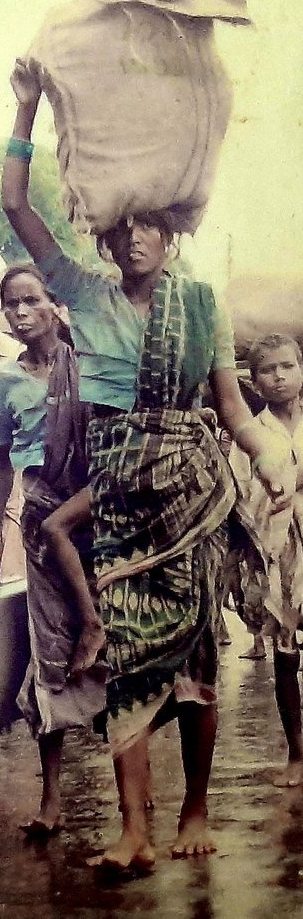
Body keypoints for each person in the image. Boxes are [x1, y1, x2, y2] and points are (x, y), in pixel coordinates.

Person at [2, 69, 290, 873]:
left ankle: (195, 803)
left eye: (149, 227)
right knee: (128, 657)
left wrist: (270, 459)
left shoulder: (202, 308)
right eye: (121, 227)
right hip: (120, 493)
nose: (134, 238)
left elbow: (231, 409)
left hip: (192, 495)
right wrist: (26, 106)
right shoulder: (83, 299)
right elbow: (18, 209)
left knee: (198, 656)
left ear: (170, 236)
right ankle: (135, 823)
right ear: (105, 237)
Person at [0, 265, 106, 839]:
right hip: (39, 520)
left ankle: (134, 786)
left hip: (100, 519)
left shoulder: (93, 365)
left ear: (55, 304)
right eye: (11, 304)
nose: (22, 313)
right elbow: (3, 462)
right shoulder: (2, 383)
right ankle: (51, 797)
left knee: (119, 647)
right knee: (49, 649)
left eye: (32, 300)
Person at [236, 335, 303, 787]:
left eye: (287, 366)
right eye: (268, 370)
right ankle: (297, 754)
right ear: (254, 382)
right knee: (286, 654)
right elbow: (241, 496)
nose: (279, 377)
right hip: (278, 555)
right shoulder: (250, 434)